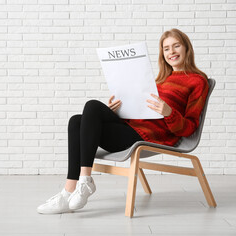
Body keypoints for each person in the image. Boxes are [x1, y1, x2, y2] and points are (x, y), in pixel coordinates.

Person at [37, 28, 209, 214]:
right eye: (166, 49)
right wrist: (118, 111)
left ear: (186, 49)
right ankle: (68, 190)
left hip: (149, 137)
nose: (171, 52)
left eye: (176, 46)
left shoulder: (197, 81)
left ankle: (85, 181)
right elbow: (140, 112)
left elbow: (189, 128)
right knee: (77, 121)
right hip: (131, 128)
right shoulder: (157, 81)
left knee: (92, 106)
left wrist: (169, 112)